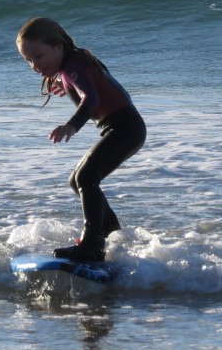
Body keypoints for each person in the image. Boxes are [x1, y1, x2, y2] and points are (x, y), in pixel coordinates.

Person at [16, 17, 146, 262]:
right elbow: (96, 83)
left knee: (86, 177)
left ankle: (92, 244)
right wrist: (66, 84)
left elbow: (92, 100)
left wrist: (72, 125)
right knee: (77, 180)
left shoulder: (74, 66)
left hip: (125, 128)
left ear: (58, 47)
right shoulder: (74, 65)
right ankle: (110, 234)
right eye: (28, 60)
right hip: (125, 127)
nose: (34, 64)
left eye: (39, 56)